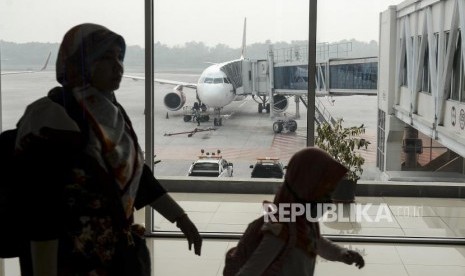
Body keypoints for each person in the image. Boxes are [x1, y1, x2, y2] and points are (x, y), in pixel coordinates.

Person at [15, 23, 202, 276]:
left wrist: (180, 217)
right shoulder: (50, 117)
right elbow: (39, 207)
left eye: (119, 57)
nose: (118, 66)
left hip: (116, 256)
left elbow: (135, 175)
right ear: (82, 63)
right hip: (71, 260)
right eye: (105, 58)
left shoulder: (113, 113)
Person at [225, 147, 364, 275]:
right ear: (304, 191)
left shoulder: (303, 223)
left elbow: (317, 242)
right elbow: (250, 271)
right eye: (324, 195)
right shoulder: (279, 231)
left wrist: (341, 253)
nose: (329, 203)